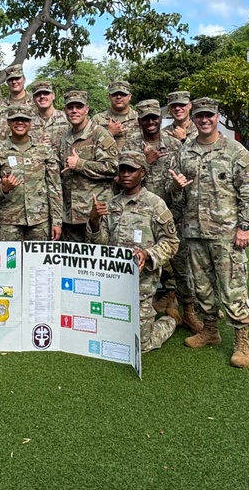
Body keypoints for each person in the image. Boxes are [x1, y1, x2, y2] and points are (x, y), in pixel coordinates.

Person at [169, 97, 249, 368]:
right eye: (199, 115)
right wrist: (176, 187)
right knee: (202, 287)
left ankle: (242, 341)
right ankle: (210, 330)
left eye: (209, 115)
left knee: (233, 288)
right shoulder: (185, 151)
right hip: (194, 231)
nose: (204, 120)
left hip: (226, 234)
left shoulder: (235, 151)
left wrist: (245, 226)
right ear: (193, 118)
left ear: (217, 116)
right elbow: (175, 195)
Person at [87, 151, 180, 353]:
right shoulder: (111, 205)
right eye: (123, 170)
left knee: (140, 346)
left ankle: (170, 319)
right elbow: (100, 244)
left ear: (143, 173)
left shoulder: (156, 204)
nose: (127, 174)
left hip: (142, 284)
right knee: (109, 337)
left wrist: (148, 254)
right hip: (113, 284)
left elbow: (172, 243)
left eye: (132, 170)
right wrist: (94, 221)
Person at [131, 99, 204, 335]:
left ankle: (188, 311)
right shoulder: (131, 145)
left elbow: (182, 182)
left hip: (172, 214)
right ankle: (141, 310)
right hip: (140, 215)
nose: (151, 122)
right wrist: (147, 163)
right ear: (139, 121)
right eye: (146, 118)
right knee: (142, 262)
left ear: (160, 119)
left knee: (181, 265)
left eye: (154, 117)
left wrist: (176, 186)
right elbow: (122, 178)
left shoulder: (175, 144)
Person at [0, 104, 63, 242]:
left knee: (38, 262)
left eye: (24, 119)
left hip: (39, 221)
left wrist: (56, 221)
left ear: (31, 123)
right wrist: (3, 189)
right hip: (7, 222)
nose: (20, 122)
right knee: (9, 263)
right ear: (8, 122)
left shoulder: (44, 151)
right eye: (15, 119)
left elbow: (54, 187)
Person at [58, 90, 118, 242]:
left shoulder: (100, 134)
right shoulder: (65, 137)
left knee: (97, 261)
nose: (74, 111)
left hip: (94, 213)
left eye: (79, 107)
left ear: (87, 109)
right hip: (70, 215)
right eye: (70, 107)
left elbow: (112, 167)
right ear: (65, 110)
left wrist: (80, 164)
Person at [93, 80, 138, 151]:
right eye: (115, 94)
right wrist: (109, 133)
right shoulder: (98, 119)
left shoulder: (140, 119)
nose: (119, 97)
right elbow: (90, 148)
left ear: (129, 96)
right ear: (109, 97)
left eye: (123, 94)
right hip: (106, 161)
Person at [31, 79, 69, 147]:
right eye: (38, 94)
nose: (42, 96)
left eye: (46, 93)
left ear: (53, 96)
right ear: (33, 99)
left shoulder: (67, 118)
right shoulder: (28, 123)